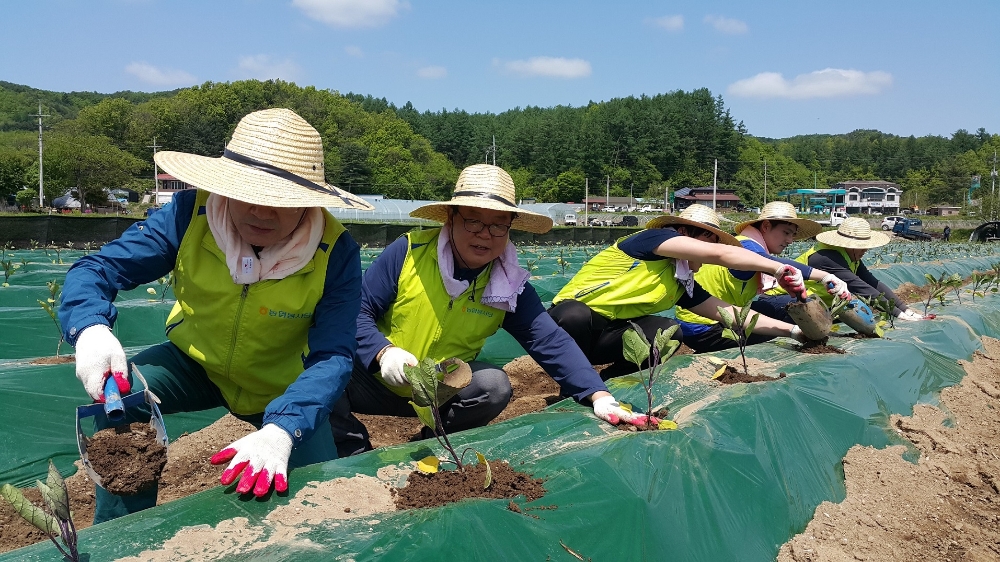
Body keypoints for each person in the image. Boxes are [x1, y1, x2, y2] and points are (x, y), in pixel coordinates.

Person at [60, 108, 374, 523]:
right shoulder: (189, 216)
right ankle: (118, 536)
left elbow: (333, 354)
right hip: (195, 363)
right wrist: (90, 328)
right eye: (248, 193)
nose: (262, 212)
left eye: (280, 201)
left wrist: (284, 429)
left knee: (317, 497)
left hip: (281, 383)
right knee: (121, 400)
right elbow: (96, 270)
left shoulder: (335, 252)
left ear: (309, 202)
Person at [330, 164, 645, 457]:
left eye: (498, 226)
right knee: (316, 367)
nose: (485, 234)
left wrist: (599, 396)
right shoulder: (408, 253)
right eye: (474, 221)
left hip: (440, 390)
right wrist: (383, 353)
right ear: (451, 219)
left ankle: (432, 445)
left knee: (493, 385)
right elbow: (356, 313)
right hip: (377, 377)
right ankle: (353, 452)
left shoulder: (507, 285)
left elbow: (549, 340)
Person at [548, 204, 819, 379]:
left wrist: (793, 331)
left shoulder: (681, 280)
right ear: (681, 234)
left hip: (608, 337)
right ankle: (574, 383)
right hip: (567, 331)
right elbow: (721, 254)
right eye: (706, 239)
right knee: (574, 313)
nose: (707, 250)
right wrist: (776, 269)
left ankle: (608, 382)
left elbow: (732, 314)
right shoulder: (651, 240)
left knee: (668, 332)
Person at [674, 202, 851, 353]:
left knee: (782, 305)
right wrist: (824, 276)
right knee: (786, 315)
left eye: (792, 235)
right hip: (706, 328)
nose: (790, 240)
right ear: (765, 227)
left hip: (707, 317)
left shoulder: (743, 242)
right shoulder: (745, 247)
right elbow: (767, 261)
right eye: (786, 232)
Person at [789, 217, 927, 321]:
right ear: (848, 245)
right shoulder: (826, 257)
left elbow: (872, 283)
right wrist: (899, 315)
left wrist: (905, 309)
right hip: (788, 302)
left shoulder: (848, 256)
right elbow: (861, 288)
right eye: (861, 246)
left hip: (814, 306)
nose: (865, 250)